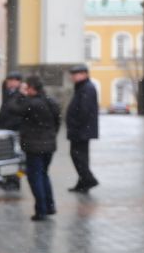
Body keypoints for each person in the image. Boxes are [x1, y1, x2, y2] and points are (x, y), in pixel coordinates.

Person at [17, 75, 62, 220]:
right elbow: (57, 122)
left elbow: (14, 109)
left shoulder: (31, 103)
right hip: (49, 145)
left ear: (31, 88)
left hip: (34, 146)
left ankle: (41, 210)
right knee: (43, 175)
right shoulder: (51, 101)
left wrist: (20, 94)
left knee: (35, 177)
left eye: (27, 87)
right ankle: (49, 206)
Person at [65, 65, 100, 193]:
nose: (73, 76)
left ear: (85, 74)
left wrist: (76, 125)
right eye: (73, 74)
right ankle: (83, 182)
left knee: (78, 156)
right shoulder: (83, 87)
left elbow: (84, 111)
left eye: (76, 74)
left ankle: (88, 179)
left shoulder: (87, 88)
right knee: (80, 157)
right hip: (81, 130)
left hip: (81, 130)